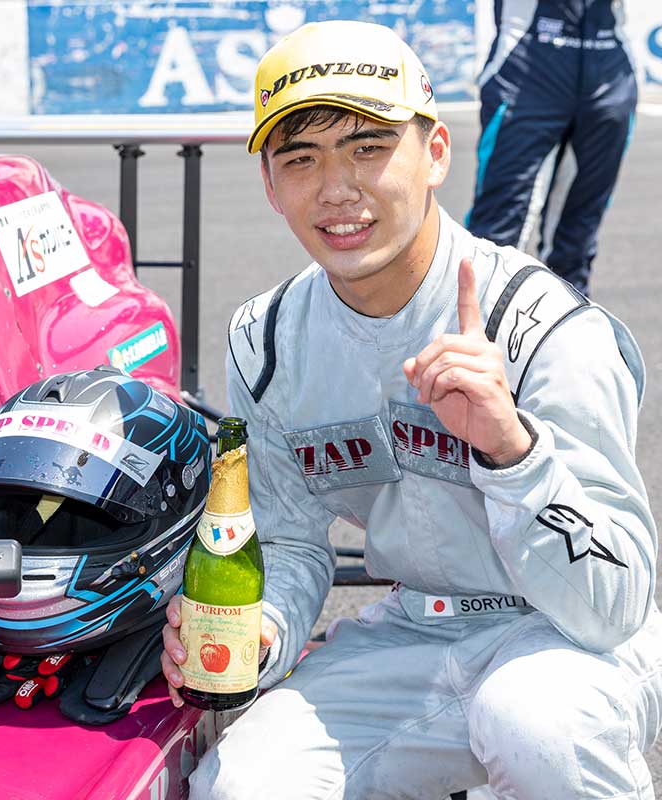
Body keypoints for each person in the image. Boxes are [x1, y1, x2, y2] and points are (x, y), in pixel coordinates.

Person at [161, 19, 662, 800]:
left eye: (367, 147)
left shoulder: (545, 327)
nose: (337, 188)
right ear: (270, 184)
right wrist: (263, 629)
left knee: (534, 724)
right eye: (301, 158)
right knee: (242, 784)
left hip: (569, 640)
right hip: (412, 635)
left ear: (435, 155)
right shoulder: (267, 339)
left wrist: (512, 450)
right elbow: (288, 542)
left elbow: (618, 604)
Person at [466, 0, 637, 296]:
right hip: (529, 65)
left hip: (609, 65)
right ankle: (476, 320)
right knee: (497, 233)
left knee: (578, 239)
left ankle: (568, 320)